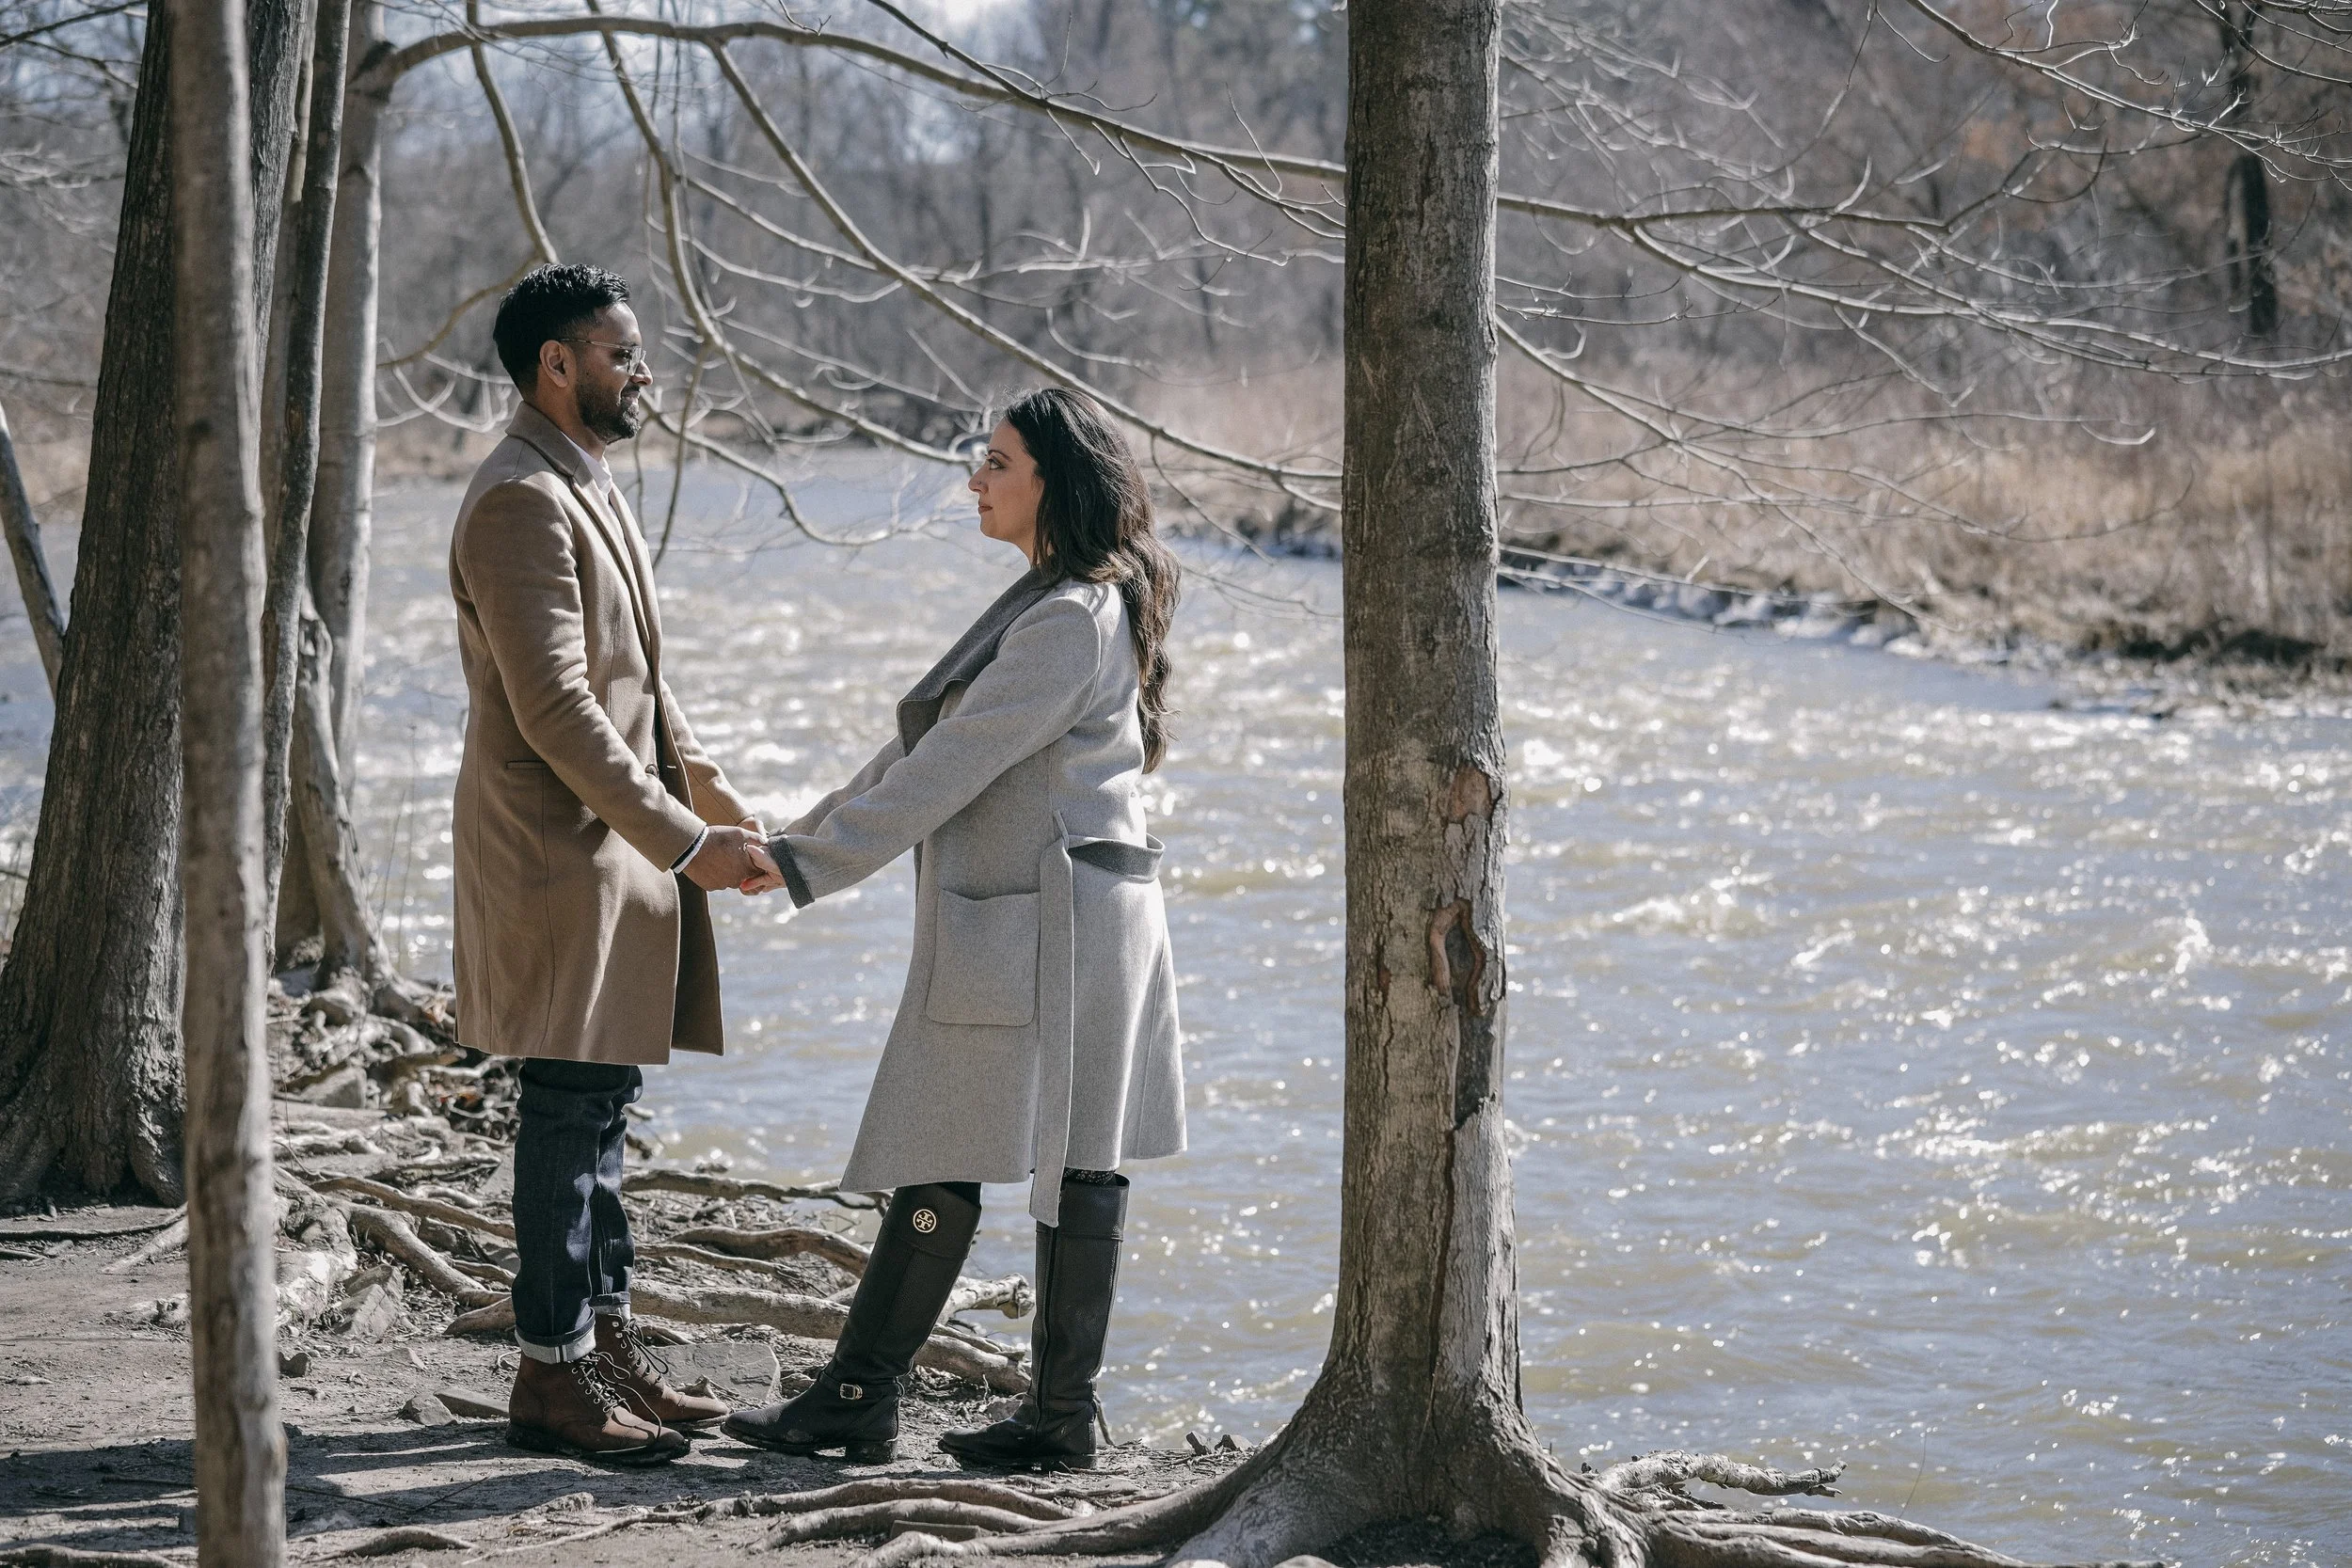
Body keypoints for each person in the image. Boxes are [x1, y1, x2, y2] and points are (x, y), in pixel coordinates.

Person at [724, 388, 1186, 1470]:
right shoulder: (1049, 601)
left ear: (1054, 484)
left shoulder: (1067, 617)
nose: (975, 480)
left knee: (1036, 1152)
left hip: (1053, 922)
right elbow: (921, 748)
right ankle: (922, 1400)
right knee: (982, 1143)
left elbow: (945, 768)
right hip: (1047, 912)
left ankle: (995, 1410)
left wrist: (802, 862)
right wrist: (796, 844)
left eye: (997, 462)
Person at [450, 262, 768, 1465]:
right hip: (556, 853)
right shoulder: (516, 498)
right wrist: (685, 842)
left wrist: (710, 787)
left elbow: (640, 677)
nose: (644, 373)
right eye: (624, 353)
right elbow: (558, 711)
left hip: (614, 844)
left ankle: (604, 1339)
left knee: (604, 1108)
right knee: (565, 1107)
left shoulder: (583, 480)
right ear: (557, 364)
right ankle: (550, 1370)